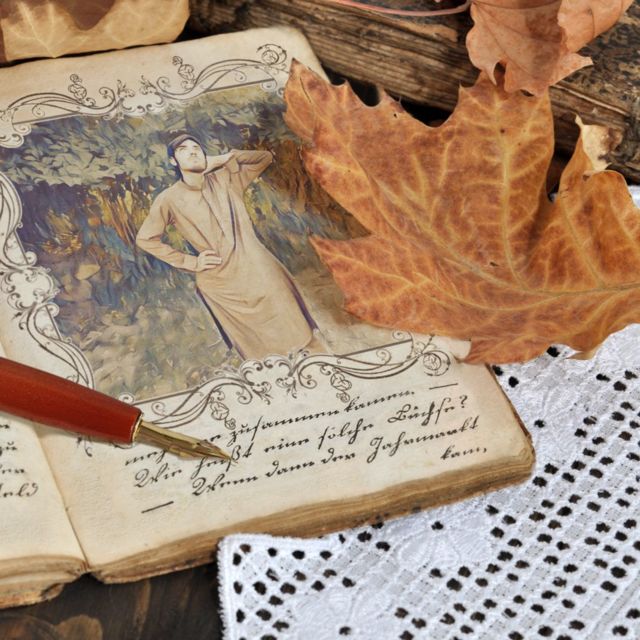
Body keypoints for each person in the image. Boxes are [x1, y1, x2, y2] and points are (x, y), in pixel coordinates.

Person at [136, 132, 324, 360]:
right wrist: (191, 261)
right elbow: (145, 238)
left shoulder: (226, 178)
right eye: (183, 150)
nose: (192, 152)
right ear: (173, 161)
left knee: (301, 334)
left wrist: (223, 158)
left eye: (196, 148)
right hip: (222, 284)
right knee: (262, 355)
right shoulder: (169, 199)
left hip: (259, 268)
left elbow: (264, 158)